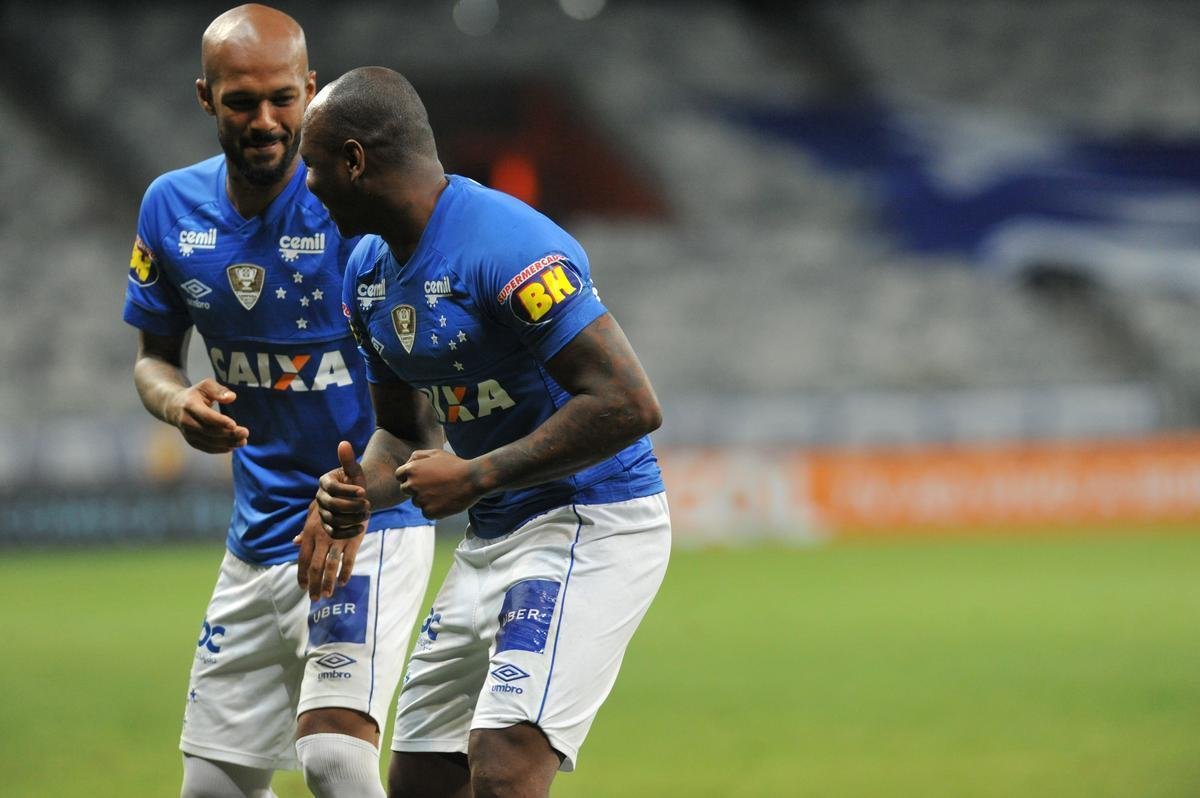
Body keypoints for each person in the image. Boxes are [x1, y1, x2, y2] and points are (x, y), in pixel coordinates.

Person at [296, 66, 672, 798]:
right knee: (422, 783)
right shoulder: (366, 275)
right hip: (493, 535)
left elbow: (630, 403)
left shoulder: (509, 247)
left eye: (312, 167)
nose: (305, 189)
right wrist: (354, 494)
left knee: (503, 769)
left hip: (591, 521)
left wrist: (475, 475)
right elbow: (402, 438)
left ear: (353, 160)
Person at [123, 8, 436, 797]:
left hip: (368, 523)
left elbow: (420, 394)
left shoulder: (353, 209)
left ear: (310, 88)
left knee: (333, 759)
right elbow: (154, 362)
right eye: (240, 102)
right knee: (212, 789)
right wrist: (176, 404)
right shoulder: (169, 208)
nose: (264, 121)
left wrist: (353, 498)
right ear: (205, 97)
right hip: (254, 539)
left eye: (281, 99)